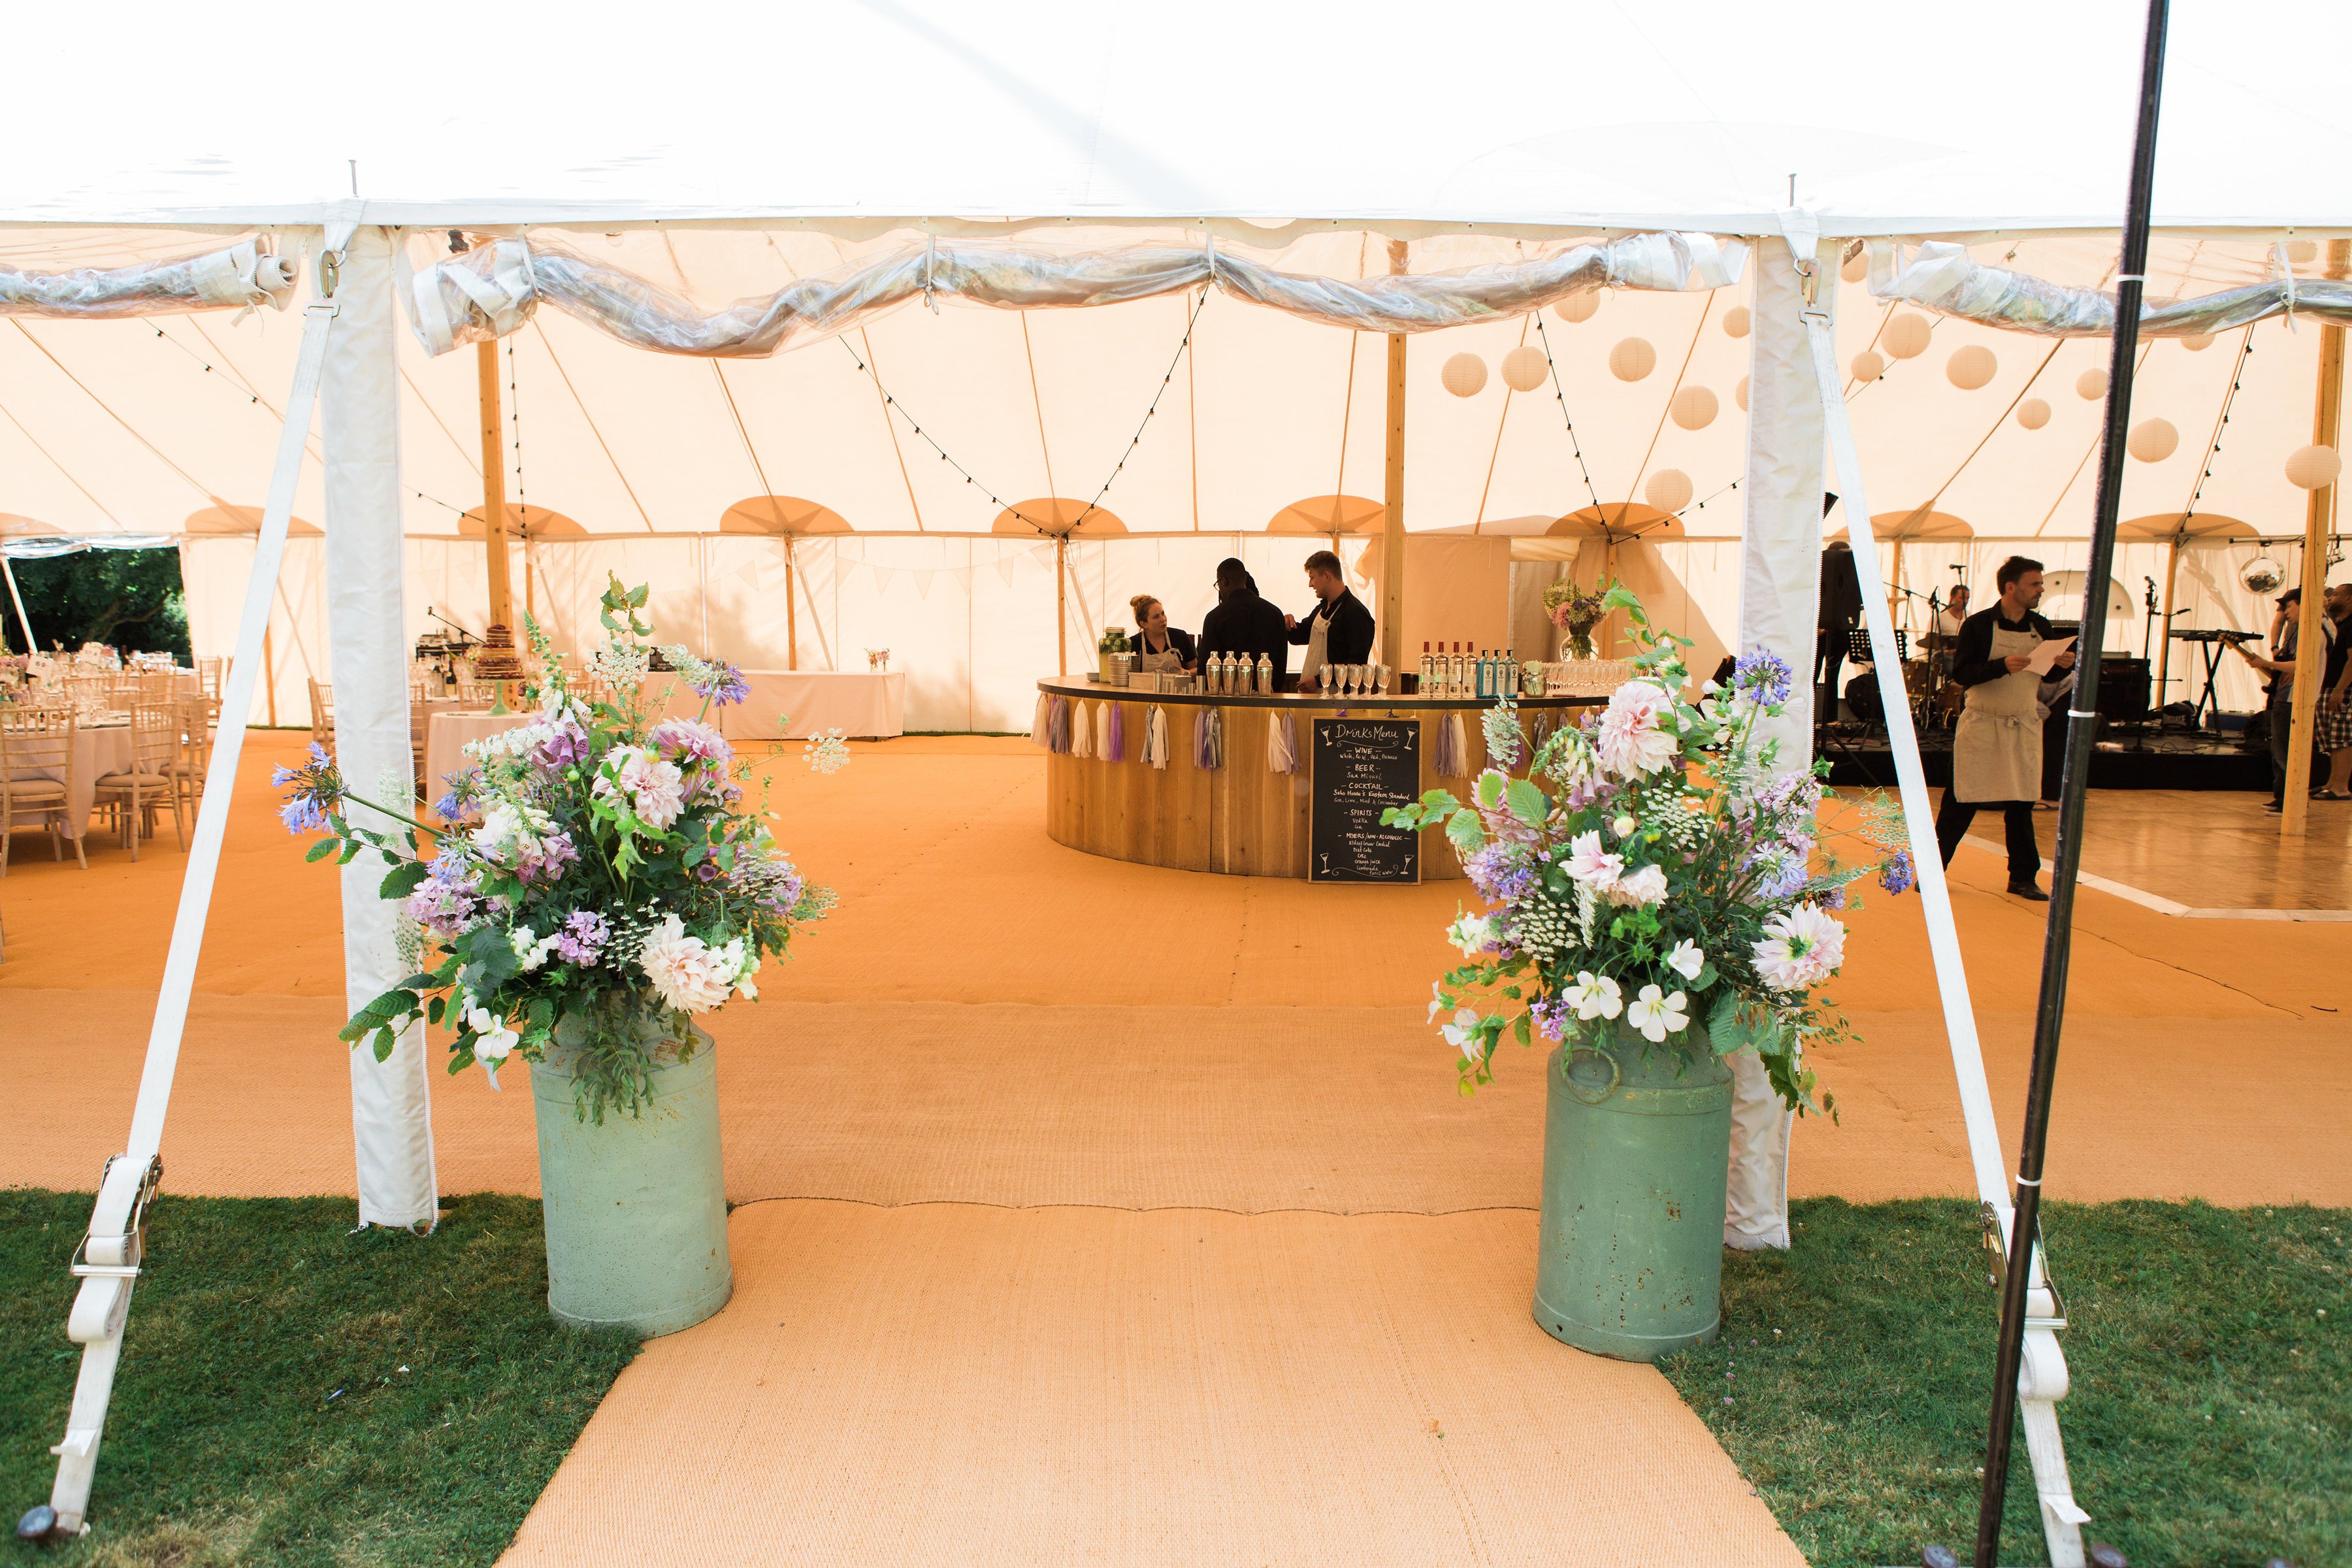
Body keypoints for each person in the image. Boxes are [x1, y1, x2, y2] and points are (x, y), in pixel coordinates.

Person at [1932, 555, 2077, 899]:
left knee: (2022, 803)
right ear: (2011, 587)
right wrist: (2000, 666)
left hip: (2023, 723)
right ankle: (1932, 871)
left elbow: (2046, 677)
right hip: (1982, 723)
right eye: (2034, 584)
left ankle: (2023, 878)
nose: (2041, 589)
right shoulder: (1979, 625)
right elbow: (1962, 673)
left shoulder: (2041, 627)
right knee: (1961, 801)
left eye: (2041, 584)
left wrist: (2062, 665)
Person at [2234, 588, 2306, 813]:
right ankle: (2283, 797)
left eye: (2290, 607)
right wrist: (2274, 652)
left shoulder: (2311, 632)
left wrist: (2268, 663)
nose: (2286, 612)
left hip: (2291, 696)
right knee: (2280, 749)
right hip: (2283, 693)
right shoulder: (2299, 631)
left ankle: (2290, 800)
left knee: (2284, 751)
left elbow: (2301, 665)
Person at [1284, 549, 1375, 692]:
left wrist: (1319, 681)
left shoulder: (1356, 613)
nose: (1310, 584)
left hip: (1339, 698)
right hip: (1313, 694)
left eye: (1312, 577)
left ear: (1326, 576)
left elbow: (1357, 664)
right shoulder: (1322, 608)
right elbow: (1301, 635)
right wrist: (1287, 623)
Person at [1198, 557, 1289, 687]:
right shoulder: (1275, 613)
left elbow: (1206, 668)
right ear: (1245, 578)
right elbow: (1281, 662)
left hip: (1228, 694)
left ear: (1224, 581)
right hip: (1267, 692)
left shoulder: (1215, 617)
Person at [1816, 541, 1863, 719]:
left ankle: (1829, 718)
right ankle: (1816, 717)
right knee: (1816, 675)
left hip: (1838, 633)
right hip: (1823, 633)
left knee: (1830, 675)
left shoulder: (1849, 577)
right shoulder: (1821, 574)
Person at [2315, 583, 2352, 801]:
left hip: (2343, 689)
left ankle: (2341, 787)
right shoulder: (2340, 624)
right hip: (2330, 686)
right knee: (2332, 738)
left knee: (2343, 738)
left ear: (2349, 599)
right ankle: (2332, 782)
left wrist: (2340, 690)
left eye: (2336, 594)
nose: (2330, 598)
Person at [1127, 594, 1196, 675]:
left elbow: (1196, 669)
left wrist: (1187, 673)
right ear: (1144, 624)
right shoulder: (1134, 644)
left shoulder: (1179, 636)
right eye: (1156, 617)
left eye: (1163, 613)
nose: (1163, 619)